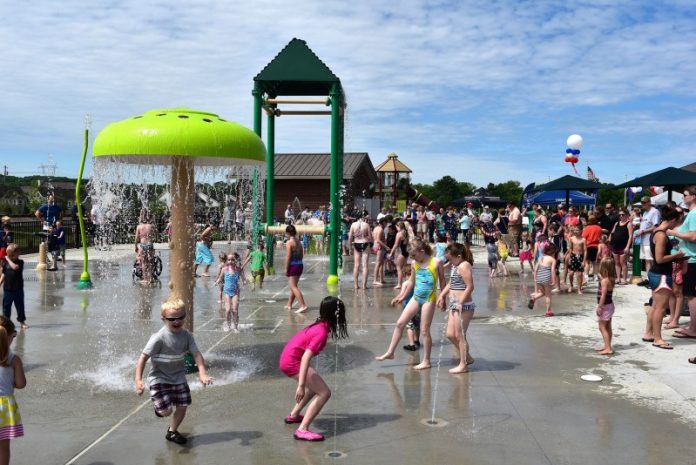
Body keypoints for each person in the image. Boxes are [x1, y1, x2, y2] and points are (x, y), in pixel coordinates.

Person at [135, 299, 213, 445]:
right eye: (172, 319)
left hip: (178, 377)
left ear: (185, 316)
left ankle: (172, 431)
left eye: (181, 318)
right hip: (159, 378)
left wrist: (202, 373)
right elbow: (143, 358)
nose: (177, 321)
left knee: (183, 406)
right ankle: (160, 409)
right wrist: (138, 380)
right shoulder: (158, 338)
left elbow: (196, 354)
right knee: (166, 412)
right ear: (163, 319)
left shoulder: (187, 336)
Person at [279, 296, 348, 442]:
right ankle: (302, 430)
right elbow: (305, 358)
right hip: (292, 362)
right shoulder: (321, 332)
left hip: (289, 358)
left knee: (315, 387)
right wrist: (301, 385)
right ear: (335, 314)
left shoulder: (320, 325)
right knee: (324, 393)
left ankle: (294, 415)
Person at [377, 238, 446, 370]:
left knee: (425, 331)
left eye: (414, 255)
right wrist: (401, 296)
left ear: (422, 251)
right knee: (399, 323)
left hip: (429, 299)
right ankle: (390, 352)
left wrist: (443, 298)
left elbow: (442, 281)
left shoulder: (436, 262)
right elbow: (411, 283)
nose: (412, 258)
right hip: (416, 297)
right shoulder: (415, 263)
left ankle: (426, 361)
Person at [643, 206, 684, 350]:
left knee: (655, 306)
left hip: (657, 273)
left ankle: (649, 333)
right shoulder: (661, 234)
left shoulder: (657, 231)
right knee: (660, 308)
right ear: (672, 220)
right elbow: (660, 259)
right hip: (661, 274)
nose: (676, 225)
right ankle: (658, 338)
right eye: (676, 222)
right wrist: (676, 256)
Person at [436, 243, 475, 373]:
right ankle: (467, 357)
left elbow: (470, 286)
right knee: (450, 334)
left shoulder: (464, 266)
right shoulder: (456, 265)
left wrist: (461, 302)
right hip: (454, 304)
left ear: (459, 256)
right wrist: (442, 295)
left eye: (450, 259)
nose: (449, 262)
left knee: (459, 335)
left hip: (463, 306)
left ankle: (463, 364)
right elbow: (451, 283)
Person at [0, 316, 25, 465]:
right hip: (4, 409)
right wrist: (12, 383)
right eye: (14, 335)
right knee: (3, 448)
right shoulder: (13, 359)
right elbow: (21, 384)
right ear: (8, 337)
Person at [0, 245, 28, 330]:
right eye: (16, 254)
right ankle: (6, 323)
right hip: (8, 290)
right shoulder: (5, 263)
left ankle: (22, 322)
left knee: (20, 306)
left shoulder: (20, 262)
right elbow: (4, 274)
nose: (18, 255)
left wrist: (7, 259)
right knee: (6, 307)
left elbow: (15, 267)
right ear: (11, 254)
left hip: (18, 290)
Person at [528, 244, 558, 317]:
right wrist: (554, 281)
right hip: (546, 278)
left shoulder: (541, 258)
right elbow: (552, 271)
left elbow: (536, 269)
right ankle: (548, 311)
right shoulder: (553, 260)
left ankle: (534, 298)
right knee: (548, 295)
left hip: (539, 278)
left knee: (543, 292)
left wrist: (535, 278)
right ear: (553, 252)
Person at [215, 254, 243, 332]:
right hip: (227, 291)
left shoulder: (238, 269)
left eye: (232, 260)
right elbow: (220, 277)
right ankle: (228, 325)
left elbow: (243, 278)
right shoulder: (224, 269)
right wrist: (217, 282)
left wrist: (244, 281)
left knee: (235, 310)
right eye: (229, 260)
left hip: (235, 292)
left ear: (235, 260)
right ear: (227, 261)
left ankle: (236, 327)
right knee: (227, 310)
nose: (230, 261)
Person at [595, 257, 617, 355]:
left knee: (601, 327)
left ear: (604, 268)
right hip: (610, 305)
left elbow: (603, 295)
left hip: (604, 306)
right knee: (608, 327)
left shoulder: (604, 281)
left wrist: (599, 307)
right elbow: (603, 278)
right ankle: (607, 345)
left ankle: (608, 348)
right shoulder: (611, 279)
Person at [284, 225, 308, 313]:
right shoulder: (298, 242)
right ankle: (289, 304)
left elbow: (288, 256)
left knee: (292, 286)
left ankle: (303, 305)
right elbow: (302, 254)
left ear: (288, 233)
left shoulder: (289, 242)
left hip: (293, 266)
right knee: (294, 286)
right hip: (299, 265)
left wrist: (286, 268)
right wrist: (299, 262)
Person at [636, 196, 661, 273]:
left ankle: (653, 278)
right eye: (642, 202)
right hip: (643, 240)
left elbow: (656, 226)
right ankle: (648, 278)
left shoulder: (655, 211)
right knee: (647, 260)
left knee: (651, 260)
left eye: (645, 202)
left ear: (649, 202)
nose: (643, 204)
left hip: (650, 240)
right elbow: (645, 225)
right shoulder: (645, 213)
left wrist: (643, 231)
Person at [609, 207, 634, 285]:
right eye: (619, 215)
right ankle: (618, 278)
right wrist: (609, 239)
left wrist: (627, 246)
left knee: (623, 262)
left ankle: (625, 279)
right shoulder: (617, 223)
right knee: (616, 262)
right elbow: (612, 232)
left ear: (626, 215)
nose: (621, 216)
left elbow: (630, 236)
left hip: (623, 245)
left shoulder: (629, 224)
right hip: (615, 245)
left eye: (622, 215)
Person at [348, 211, 371, 289]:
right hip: (365, 243)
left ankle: (356, 285)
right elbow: (370, 237)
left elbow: (350, 237)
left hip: (356, 243)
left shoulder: (353, 224)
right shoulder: (366, 225)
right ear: (363, 216)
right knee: (365, 265)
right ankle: (364, 285)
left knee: (356, 265)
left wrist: (350, 247)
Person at [135, 210, 156, 284]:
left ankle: (145, 279)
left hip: (142, 245)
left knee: (144, 263)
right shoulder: (151, 226)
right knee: (150, 262)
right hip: (150, 244)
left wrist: (135, 247)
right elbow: (154, 235)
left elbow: (137, 238)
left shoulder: (139, 227)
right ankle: (151, 279)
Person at [567, 227, 587, 294]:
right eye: (575, 230)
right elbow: (570, 248)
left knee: (579, 274)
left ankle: (579, 288)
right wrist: (569, 257)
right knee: (571, 273)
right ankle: (571, 285)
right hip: (573, 256)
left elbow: (585, 251)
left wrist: (584, 261)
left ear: (581, 231)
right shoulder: (571, 238)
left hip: (580, 256)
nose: (576, 231)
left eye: (577, 230)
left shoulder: (583, 240)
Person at [582, 215, 603, 280]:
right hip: (597, 246)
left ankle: (586, 275)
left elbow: (583, 237)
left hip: (589, 246)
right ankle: (596, 275)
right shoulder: (599, 228)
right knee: (595, 262)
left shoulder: (587, 228)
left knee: (587, 262)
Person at [371, 218, 389, 287]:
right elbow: (378, 240)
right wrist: (386, 247)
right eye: (386, 223)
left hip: (376, 246)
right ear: (384, 222)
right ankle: (375, 280)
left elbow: (374, 238)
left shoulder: (376, 228)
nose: (387, 224)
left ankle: (381, 279)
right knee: (378, 263)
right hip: (380, 247)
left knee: (381, 263)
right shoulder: (380, 229)